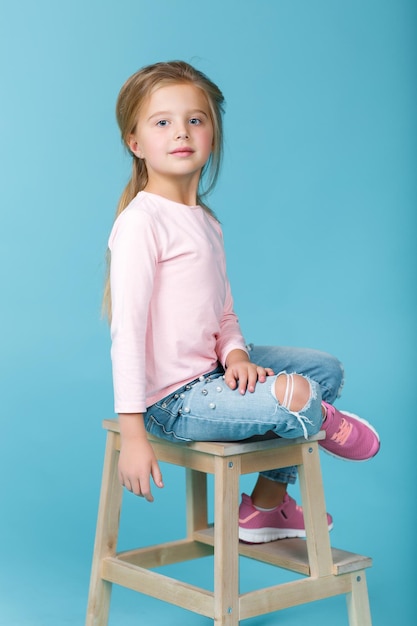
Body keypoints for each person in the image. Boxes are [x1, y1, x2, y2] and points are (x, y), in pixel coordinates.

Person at [104, 60, 380, 544]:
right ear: (136, 143)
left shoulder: (207, 223)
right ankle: (321, 418)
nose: (181, 132)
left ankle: (265, 507)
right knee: (298, 396)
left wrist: (235, 356)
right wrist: (133, 436)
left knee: (325, 371)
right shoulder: (141, 223)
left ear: (212, 132)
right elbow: (127, 333)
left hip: (214, 374)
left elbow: (224, 314)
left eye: (196, 119)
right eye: (162, 122)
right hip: (172, 400)